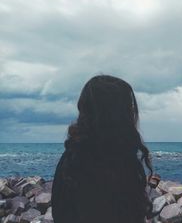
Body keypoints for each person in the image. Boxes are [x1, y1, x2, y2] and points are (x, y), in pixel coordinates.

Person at [52, 75, 153, 223]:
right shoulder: (120, 164)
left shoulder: (71, 160)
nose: (132, 112)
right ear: (117, 115)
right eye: (128, 107)